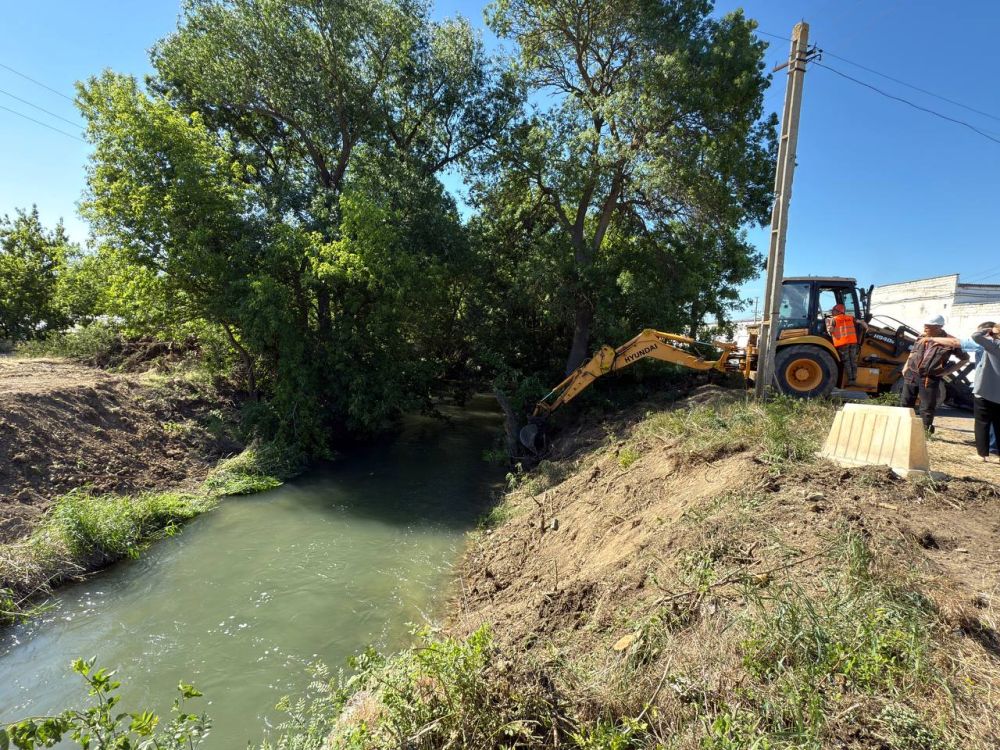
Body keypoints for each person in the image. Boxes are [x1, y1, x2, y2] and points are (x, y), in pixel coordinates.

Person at [899, 314, 969, 433]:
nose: (924, 328)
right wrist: (906, 366)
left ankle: (924, 432)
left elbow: (965, 359)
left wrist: (947, 371)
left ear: (938, 327)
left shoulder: (950, 341)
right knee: (905, 402)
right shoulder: (921, 336)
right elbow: (913, 351)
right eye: (925, 325)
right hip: (912, 373)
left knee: (926, 407)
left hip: (929, 377)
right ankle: (903, 428)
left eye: (928, 326)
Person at [971, 321, 1000, 462]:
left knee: (982, 422)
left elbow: (975, 335)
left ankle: (981, 454)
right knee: (998, 424)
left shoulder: (994, 345)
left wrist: (989, 330)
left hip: (986, 390)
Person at [825, 303, 861, 384]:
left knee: (847, 361)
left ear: (838, 311)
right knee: (853, 361)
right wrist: (867, 327)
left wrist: (828, 324)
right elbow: (861, 322)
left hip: (843, 344)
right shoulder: (850, 318)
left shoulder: (834, 319)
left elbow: (830, 330)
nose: (832, 312)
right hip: (853, 343)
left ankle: (851, 380)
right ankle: (854, 378)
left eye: (833, 311)